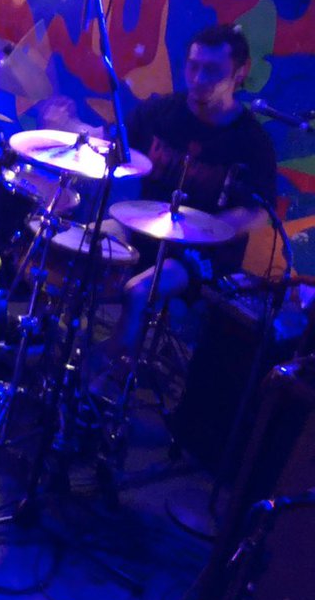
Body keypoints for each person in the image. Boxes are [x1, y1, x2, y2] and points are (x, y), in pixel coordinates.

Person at [41, 24, 277, 365]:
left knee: (138, 292)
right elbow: (111, 144)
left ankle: (106, 371)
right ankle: (56, 344)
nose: (198, 78)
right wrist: (70, 126)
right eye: (193, 66)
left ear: (240, 72)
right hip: (146, 226)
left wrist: (208, 229)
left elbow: (260, 212)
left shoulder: (251, 141)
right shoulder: (163, 112)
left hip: (204, 253)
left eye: (212, 70)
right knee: (76, 244)